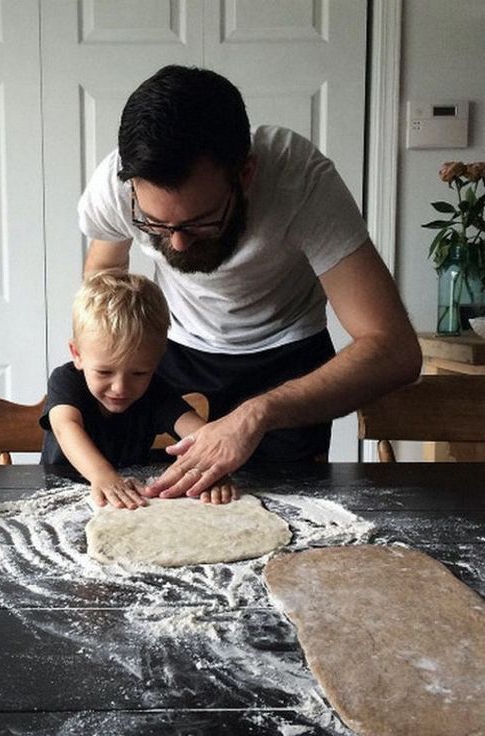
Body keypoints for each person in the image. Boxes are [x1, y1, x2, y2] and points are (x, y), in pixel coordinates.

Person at [77, 65, 422, 500]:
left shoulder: (301, 181)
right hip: (173, 356)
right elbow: (104, 283)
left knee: (286, 515)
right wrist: (106, 364)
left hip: (288, 362)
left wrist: (257, 413)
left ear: (245, 175)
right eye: (158, 226)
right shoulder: (118, 183)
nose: (178, 246)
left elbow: (395, 349)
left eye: (200, 222)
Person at [40, 270, 237, 509]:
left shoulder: (156, 390)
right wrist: (102, 476)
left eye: (139, 373)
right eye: (104, 372)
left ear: (157, 360)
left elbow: (200, 435)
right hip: (59, 501)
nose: (120, 387)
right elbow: (65, 428)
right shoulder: (66, 380)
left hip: (131, 502)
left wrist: (212, 470)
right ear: (77, 355)